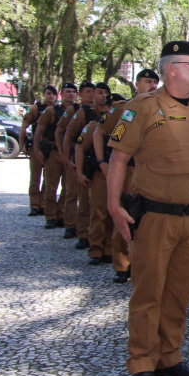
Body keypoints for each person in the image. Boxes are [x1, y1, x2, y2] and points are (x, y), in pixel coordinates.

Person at [106, 41, 189, 376]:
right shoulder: (142, 107)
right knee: (149, 292)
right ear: (171, 69)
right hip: (156, 216)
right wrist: (113, 206)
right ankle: (142, 360)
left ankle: (170, 355)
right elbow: (118, 160)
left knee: (179, 292)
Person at [93, 69, 160, 284]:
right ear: (137, 83)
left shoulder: (161, 108)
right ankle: (122, 264)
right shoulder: (124, 108)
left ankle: (143, 263)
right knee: (125, 212)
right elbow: (98, 132)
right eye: (147, 81)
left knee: (149, 218)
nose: (151, 85)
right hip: (129, 169)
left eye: (154, 82)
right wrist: (102, 162)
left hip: (151, 170)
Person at [64, 82, 109, 249]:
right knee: (82, 199)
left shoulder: (113, 115)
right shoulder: (83, 113)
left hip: (104, 166)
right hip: (87, 162)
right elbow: (68, 135)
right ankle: (82, 233)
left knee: (101, 206)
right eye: (98, 92)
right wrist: (68, 159)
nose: (101, 95)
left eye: (105, 93)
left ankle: (103, 241)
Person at [74, 93, 117, 264]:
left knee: (113, 213)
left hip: (117, 174)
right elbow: (79, 148)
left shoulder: (125, 125)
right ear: (107, 108)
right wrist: (79, 172)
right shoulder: (94, 126)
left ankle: (109, 249)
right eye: (113, 107)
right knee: (98, 212)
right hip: (99, 175)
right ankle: (95, 250)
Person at [34, 82, 77, 229]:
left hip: (70, 153)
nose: (71, 94)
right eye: (68, 92)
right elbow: (39, 130)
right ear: (61, 94)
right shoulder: (52, 111)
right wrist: (37, 150)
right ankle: (50, 216)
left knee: (68, 188)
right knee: (51, 186)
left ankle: (61, 215)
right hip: (53, 152)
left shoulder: (78, 111)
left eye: (73, 92)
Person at [57, 81, 96, 242]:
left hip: (92, 158)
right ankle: (70, 225)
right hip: (77, 154)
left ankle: (86, 229)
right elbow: (64, 133)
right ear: (81, 94)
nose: (91, 94)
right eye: (87, 91)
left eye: (93, 91)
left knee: (89, 198)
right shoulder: (74, 110)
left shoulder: (100, 111)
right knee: (72, 192)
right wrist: (65, 157)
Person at [21, 85, 58, 217]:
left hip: (51, 147)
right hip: (37, 146)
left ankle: (43, 204)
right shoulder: (35, 109)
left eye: (53, 94)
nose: (51, 96)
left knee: (48, 180)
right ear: (44, 95)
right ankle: (34, 205)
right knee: (35, 178)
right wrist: (21, 145)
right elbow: (24, 127)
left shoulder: (57, 110)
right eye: (48, 93)